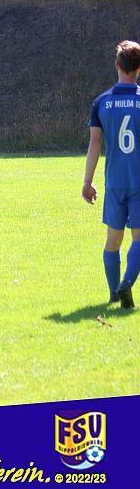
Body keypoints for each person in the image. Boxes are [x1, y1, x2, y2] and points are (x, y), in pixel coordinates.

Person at [83, 40, 140, 309]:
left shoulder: (102, 102)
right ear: (139, 69)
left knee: (113, 241)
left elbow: (95, 144)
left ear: (117, 65)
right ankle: (127, 282)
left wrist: (87, 181)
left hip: (115, 182)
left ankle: (113, 294)